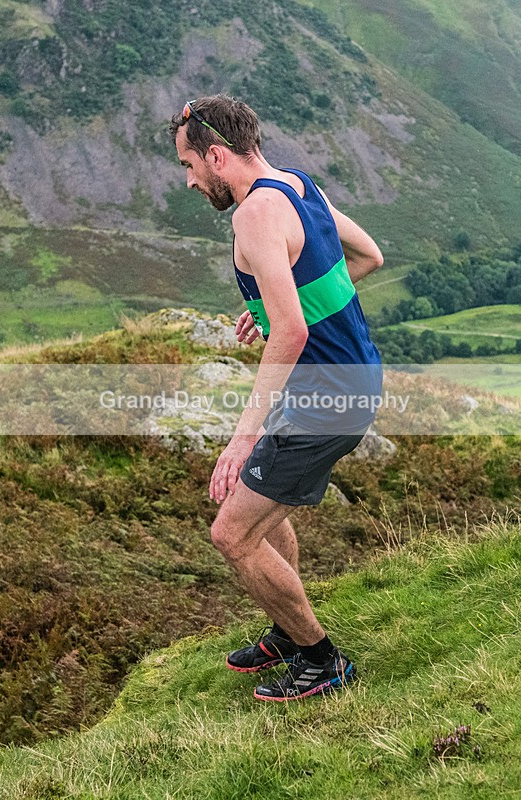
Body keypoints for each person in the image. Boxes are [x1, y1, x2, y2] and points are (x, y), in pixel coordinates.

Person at [170, 94, 383, 701]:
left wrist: (241, 438)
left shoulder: (253, 216)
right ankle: (288, 633)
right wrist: (269, 297)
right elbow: (368, 255)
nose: (189, 181)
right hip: (352, 379)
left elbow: (291, 332)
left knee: (231, 536)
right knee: (259, 511)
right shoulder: (296, 183)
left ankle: (322, 659)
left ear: (216, 155)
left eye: (189, 165)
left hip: (326, 398)